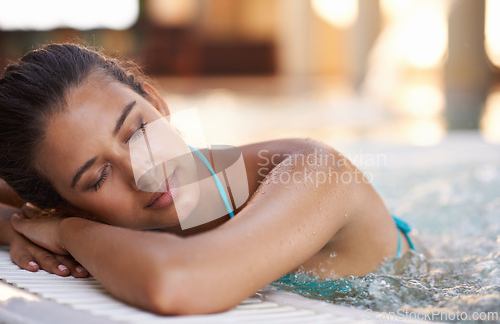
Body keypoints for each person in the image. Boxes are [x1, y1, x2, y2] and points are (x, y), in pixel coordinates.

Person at [0, 44, 414, 315]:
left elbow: (179, 283)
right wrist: (15, 227)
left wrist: (67, 232)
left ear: (157, 102)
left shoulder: (314, 171)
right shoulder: (66, 196)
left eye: (138, 130)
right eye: (98, 177)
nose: (145, 172)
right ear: (63, 200)